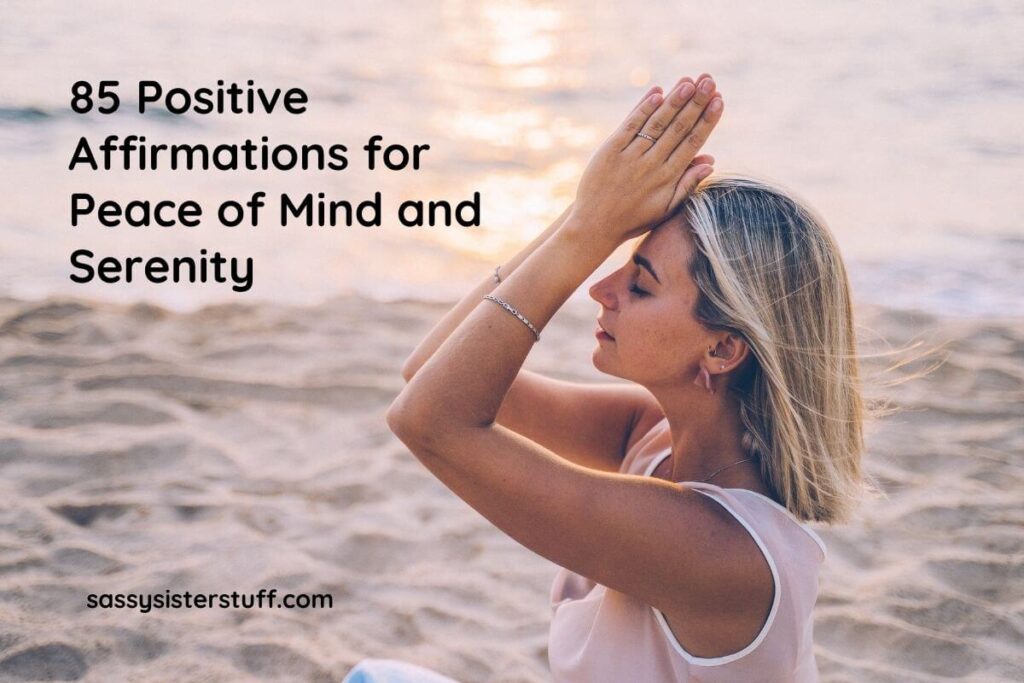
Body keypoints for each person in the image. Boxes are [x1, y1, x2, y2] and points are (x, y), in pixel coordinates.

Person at [360, 72, 866, 682]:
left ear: (724, 349)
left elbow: (429, 420)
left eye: (641, 284)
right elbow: (429, 373)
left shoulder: (720, 551)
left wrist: (587, 234)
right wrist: (587, 215)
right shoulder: (650, 437)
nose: (602, 288)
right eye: (619, 263)